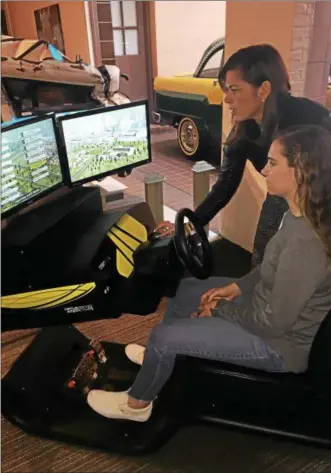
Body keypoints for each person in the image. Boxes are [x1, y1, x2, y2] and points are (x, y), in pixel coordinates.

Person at [87, 125, 331, 422]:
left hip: (280, 345)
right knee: (188, 290)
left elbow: (274, 324)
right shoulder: (295, 213)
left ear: (301, 172)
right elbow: (271, 266)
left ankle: (136, 405)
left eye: (273, 163)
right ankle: (166, 359)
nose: (264, 170)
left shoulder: (305, 246)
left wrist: (220, 310)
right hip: (265, 308)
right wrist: (237, 288)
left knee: (165, 336)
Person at [156, 44, 331, 269]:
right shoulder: (244, 132)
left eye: (235, 89)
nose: (227, 99)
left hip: (321, 203)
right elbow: (224, 186)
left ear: (263, 89)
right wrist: (189, 226)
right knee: (262, 259)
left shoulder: (310, 119)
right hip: (281, 199)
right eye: (226, 90)